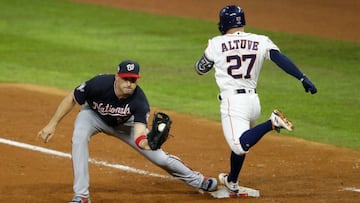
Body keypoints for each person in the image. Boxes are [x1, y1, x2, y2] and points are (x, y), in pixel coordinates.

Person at [37, 60, 217, 203]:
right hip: (93, 116)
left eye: (133, 80)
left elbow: (139, 133)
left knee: (159, 157)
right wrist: (52, 124)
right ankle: (82, 196)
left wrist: (145, 143)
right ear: (117, 77)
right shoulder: (98, 84)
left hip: (126, 125)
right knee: (78, 138)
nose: (129, 83)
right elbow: (72, 98)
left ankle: (198, 180)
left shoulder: (139, 101)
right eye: (125, 79)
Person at [194, 5, 317, 194]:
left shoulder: (216, 43)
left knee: (239, 145)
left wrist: (209, 52)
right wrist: (302, 77)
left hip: (233, 103)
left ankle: (272, 122)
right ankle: (232, 180)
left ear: (224, 23)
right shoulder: (260, 40)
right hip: (253, 102)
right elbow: (280, 58)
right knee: (243, 141)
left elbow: (200, 69)